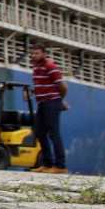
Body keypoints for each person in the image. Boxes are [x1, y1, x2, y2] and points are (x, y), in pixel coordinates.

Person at [30, 43, 68, 173]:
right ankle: (47, 164)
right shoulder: (36, 68)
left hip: (51, 103)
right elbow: (41, 85)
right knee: (39, 132)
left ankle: (60, 166)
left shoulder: (50, 66)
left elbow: (63, 87)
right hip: (41, 103)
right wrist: (31, 92)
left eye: (37, 53)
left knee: (54, 134)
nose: (34, 55)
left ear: (44, 54)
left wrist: (59, 101)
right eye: (33, 53)